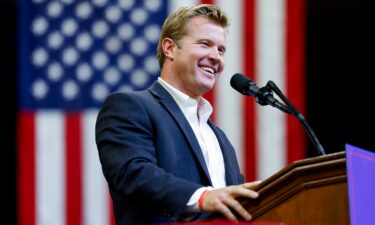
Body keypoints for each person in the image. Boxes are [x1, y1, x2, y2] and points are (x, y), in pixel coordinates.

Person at [95, 4, 260, 225]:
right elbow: (132, 173)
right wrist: (203, 197)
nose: (215, 57)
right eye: (205, 44)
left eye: (221, 50)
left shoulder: (219, 138)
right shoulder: (130, 106)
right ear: (170, 48)